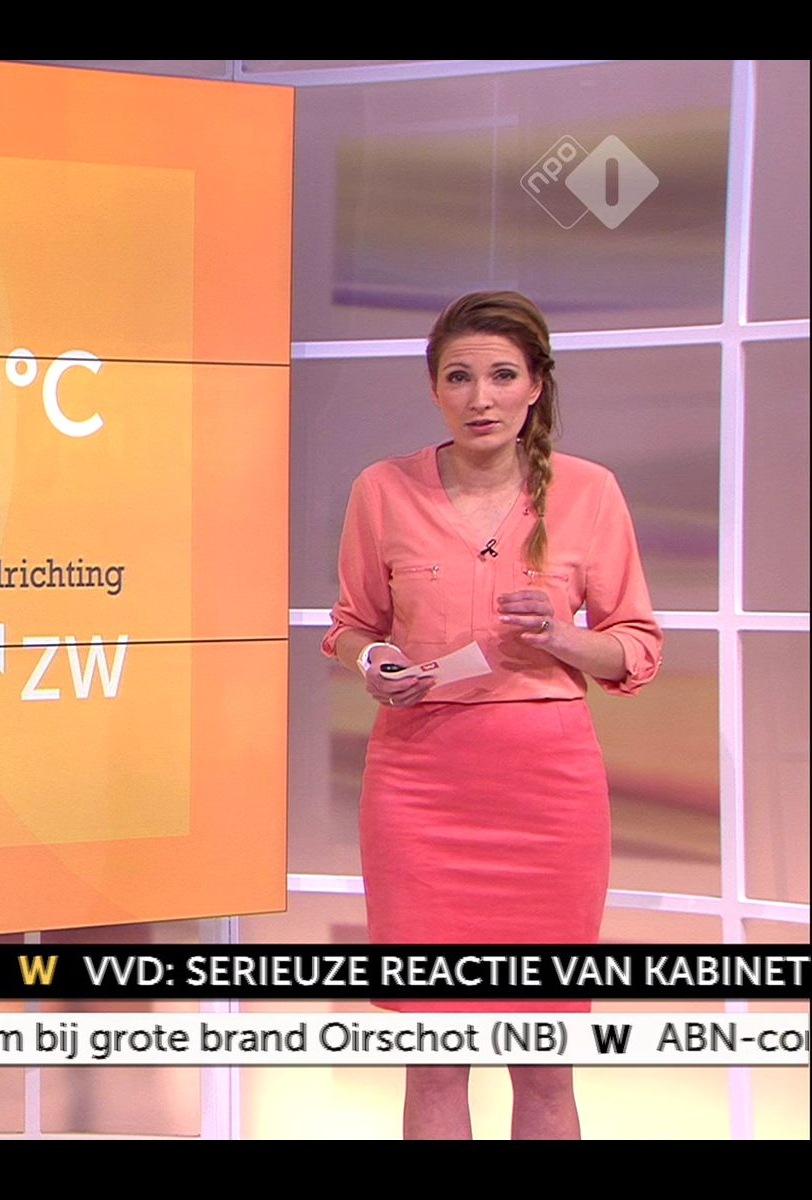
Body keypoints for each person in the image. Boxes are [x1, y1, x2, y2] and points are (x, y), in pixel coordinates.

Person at [322, 290, 663, 1140]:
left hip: (546, 792)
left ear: (536, 385)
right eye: (459, 377)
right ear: (434, 388)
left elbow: (635, 648)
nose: (481, 398)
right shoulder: (382, 489)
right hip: (420, 786)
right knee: (435, 1051)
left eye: (503, 376)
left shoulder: (590, 492)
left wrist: (563, 637)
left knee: (542, 1055)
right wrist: (373, 661)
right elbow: (351, 625)